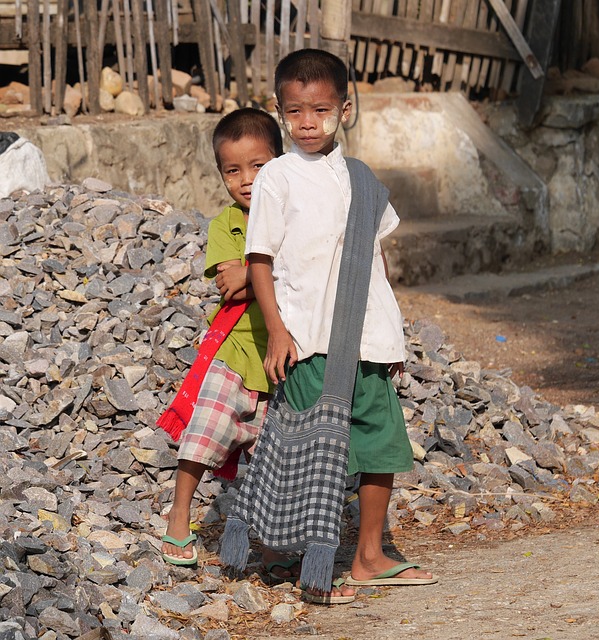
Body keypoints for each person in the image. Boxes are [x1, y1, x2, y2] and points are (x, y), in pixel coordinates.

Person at [244, 49, 439, 602]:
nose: (309, 123)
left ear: (345, 110)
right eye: (296, 112)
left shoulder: (361, 178)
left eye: (322, 110)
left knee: (379, 445)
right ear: (278, 111)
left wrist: (389, 331)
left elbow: (374, 261)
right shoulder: (277, 178)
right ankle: (312, 565)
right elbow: (260, 260)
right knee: (315, 452)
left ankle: (369, 555)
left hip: (365, 339)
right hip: (310, 339)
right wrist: (278, 331)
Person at [160, 108, 296, 577]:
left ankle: (273, 544)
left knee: (274, 456)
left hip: (286, 355)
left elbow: (301, 274)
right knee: (207, 432)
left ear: (280, 161)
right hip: (236, 350)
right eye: (232, 170)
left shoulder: (294, 217)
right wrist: (267, 272)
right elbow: (230, 286)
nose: (246, 180)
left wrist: (255, 271)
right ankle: (179, 515)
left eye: (258, 166)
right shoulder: (227, 225)